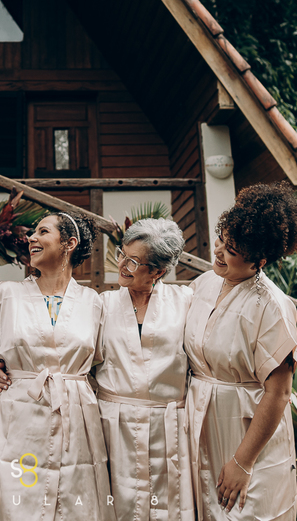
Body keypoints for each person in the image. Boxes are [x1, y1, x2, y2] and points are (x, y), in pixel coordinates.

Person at [184, 183, 297, 520]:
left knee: (245, 513)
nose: (218, 252)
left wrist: (243, 461)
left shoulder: (273, 306)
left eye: (231, 249)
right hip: (201, 423)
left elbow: (279, 393)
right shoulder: (204, 284)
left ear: (258, 261)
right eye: (221, 239)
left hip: (248, 433)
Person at [0, 211, 114, 521]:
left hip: (77, 413)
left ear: (68, 243)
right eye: (33, 232)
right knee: (20, 503)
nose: (32, 238)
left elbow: (99, 360)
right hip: (19, 414)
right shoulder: (7, 294)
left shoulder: (93, 302)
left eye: (43, 232)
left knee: (75, 502)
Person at [95, 218, 194, 520]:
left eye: (133, 261)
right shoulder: (103, 303)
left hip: (168, 425)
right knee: (116, 505)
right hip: (113, 423)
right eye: (121, 254)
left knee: (168, 506)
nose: (122, 264)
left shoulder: (186, 302)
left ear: (158, 271)